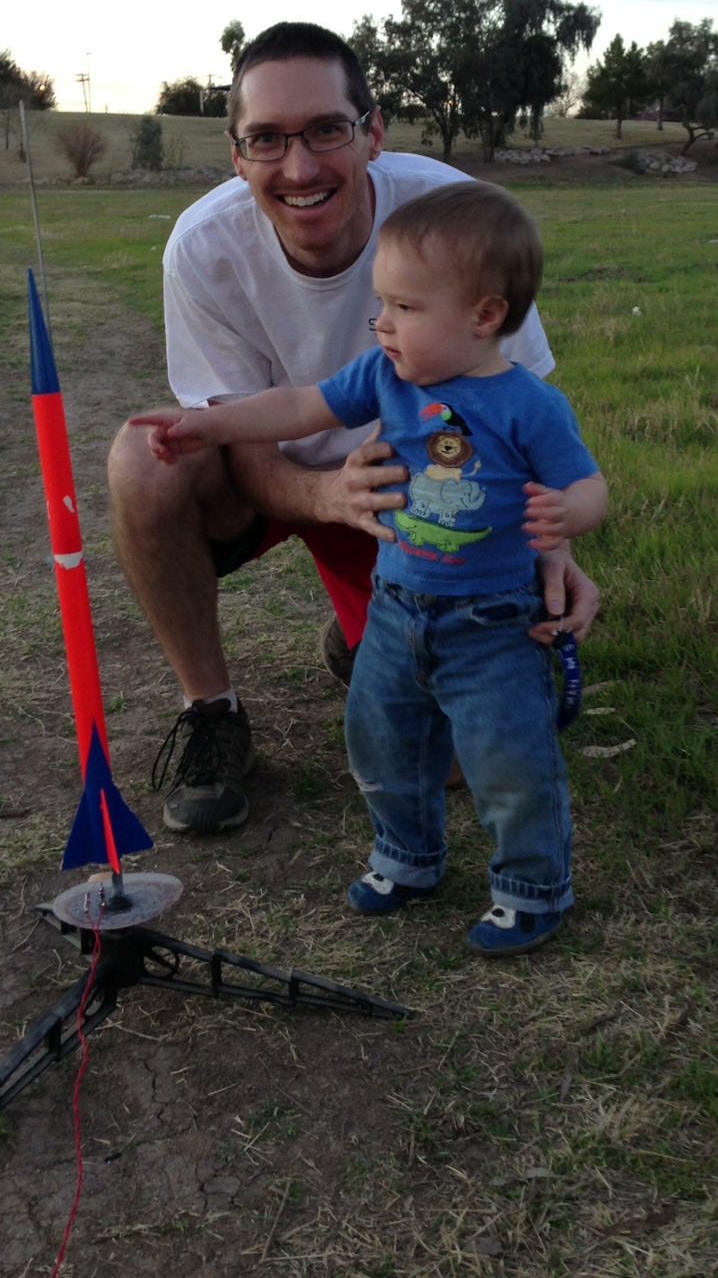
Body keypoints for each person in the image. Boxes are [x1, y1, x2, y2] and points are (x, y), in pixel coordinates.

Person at [107, 22, 600, 836]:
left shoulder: (455, 221)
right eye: (267, 139)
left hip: (413, 490)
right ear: (237, 156)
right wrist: (327, 495)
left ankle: (364, 637)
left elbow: (515, 416)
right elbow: (250, 435)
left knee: (457, 759)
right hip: (279, 477)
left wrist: (554, 547)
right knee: (142, 460)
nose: (299, 168)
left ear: (373, 132)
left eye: (326, 130)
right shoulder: (202, 247)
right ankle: (211, 711)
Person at [131, 182, 607, 955]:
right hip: (396, 609)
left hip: (493, 625)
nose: (381, 321)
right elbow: (298, 406)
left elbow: (588, 485)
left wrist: (570, 514)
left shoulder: (531, 406)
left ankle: (531, 889)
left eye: (405, 307)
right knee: (381, 741)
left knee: (508, 760)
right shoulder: (386, 375)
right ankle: (406, 857)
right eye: (381, 302)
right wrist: (205, 426)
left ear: (485, 316)